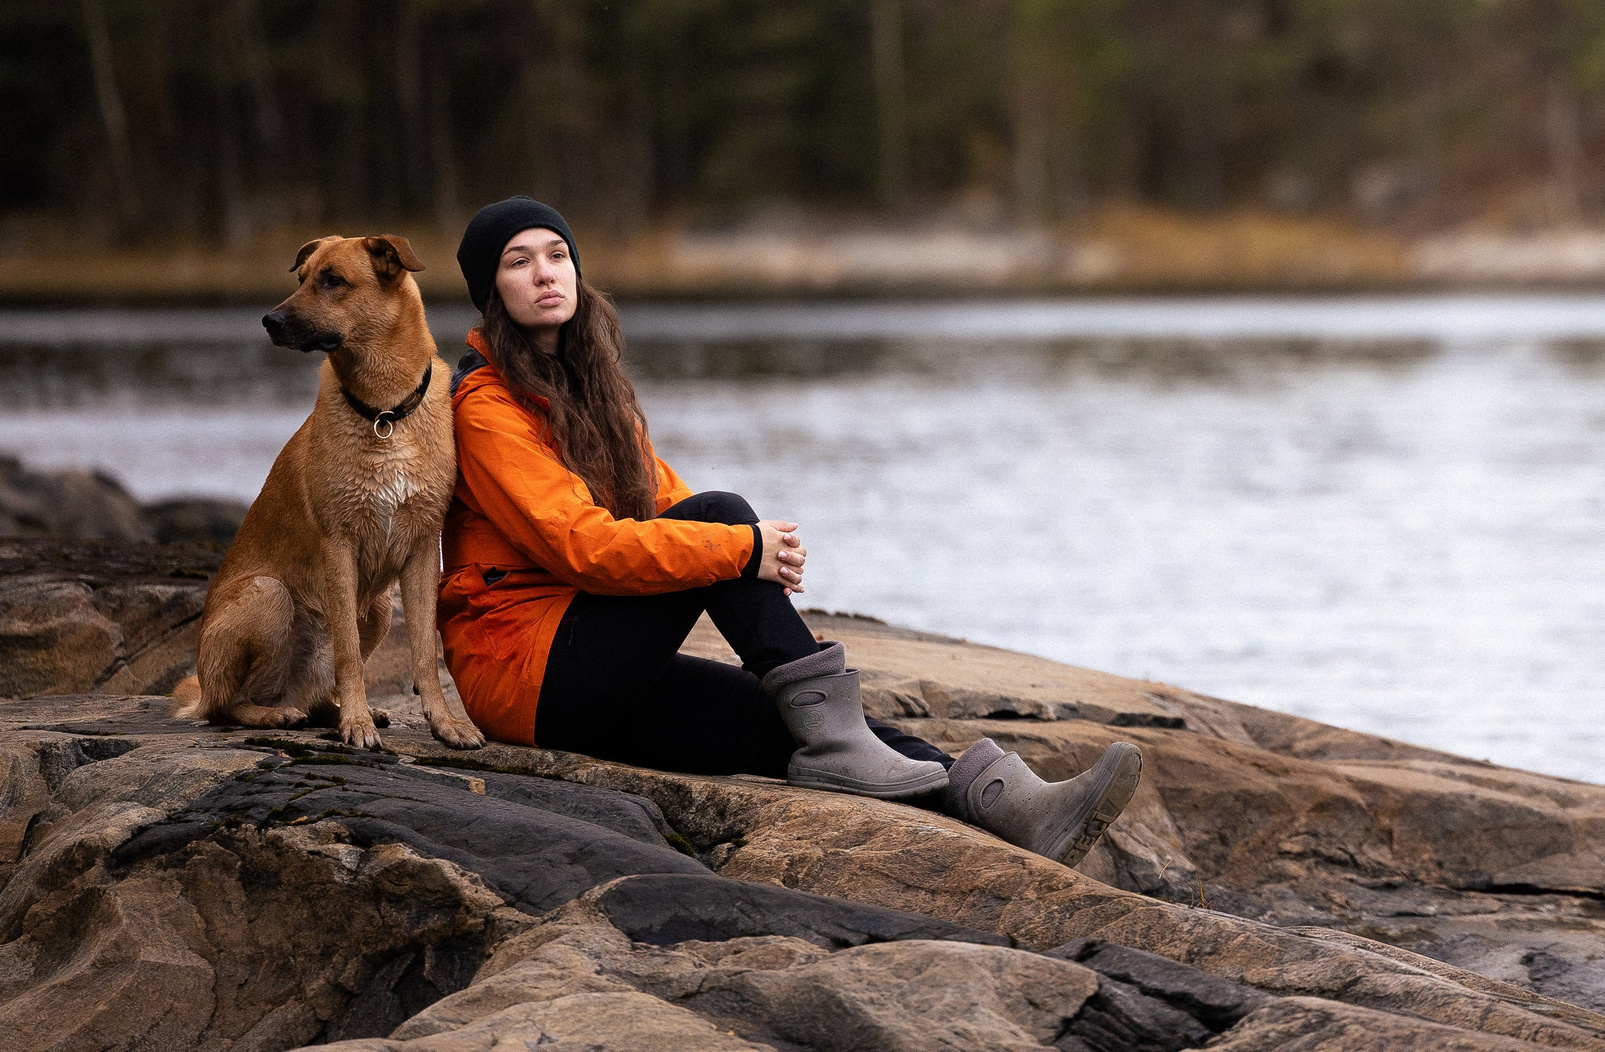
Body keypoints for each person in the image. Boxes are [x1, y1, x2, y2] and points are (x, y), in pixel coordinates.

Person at [435, 196, 1140, 866]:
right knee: (723, 520)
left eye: (557, 254)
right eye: (518, 261)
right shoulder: (486, 407)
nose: (545, 272)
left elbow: (658, 501)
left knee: (795, 728)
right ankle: (855, 737)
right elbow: (583, 547)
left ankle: (1010, 805)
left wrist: (751, 555)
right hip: (531, 678)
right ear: (492, 291)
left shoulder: (589, 391)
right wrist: (742, 548)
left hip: (598, 672)